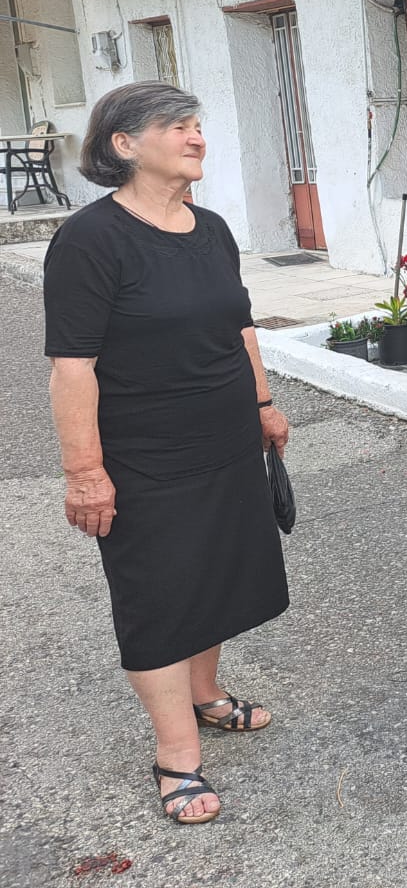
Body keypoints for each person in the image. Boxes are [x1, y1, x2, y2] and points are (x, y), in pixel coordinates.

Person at [42, 81, 290, 825]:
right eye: (177, 126)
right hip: (144, 455)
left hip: (226, 441)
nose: (196, 136)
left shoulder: (210, 228)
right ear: (124, 144)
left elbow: (239, 327)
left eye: (196, 124)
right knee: (158, 596)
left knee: (218, 574)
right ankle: (176, 755)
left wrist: (263, 405)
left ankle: (205, 693)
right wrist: (85, 472)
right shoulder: (91, 240)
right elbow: (72, 366)